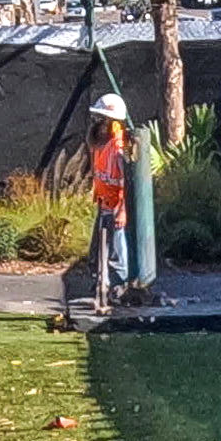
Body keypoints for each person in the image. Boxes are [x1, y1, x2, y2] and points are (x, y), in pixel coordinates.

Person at [88, 90, 135, 301]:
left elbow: (123, 181)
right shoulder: (102, 145)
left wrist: (122, 211)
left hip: (116, 207)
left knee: (118, 250)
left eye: (102, 119)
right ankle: (102, 285)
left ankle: (119, 288)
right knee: (99, 250)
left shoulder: (117, 148)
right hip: (104, 204)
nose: (97, 124)